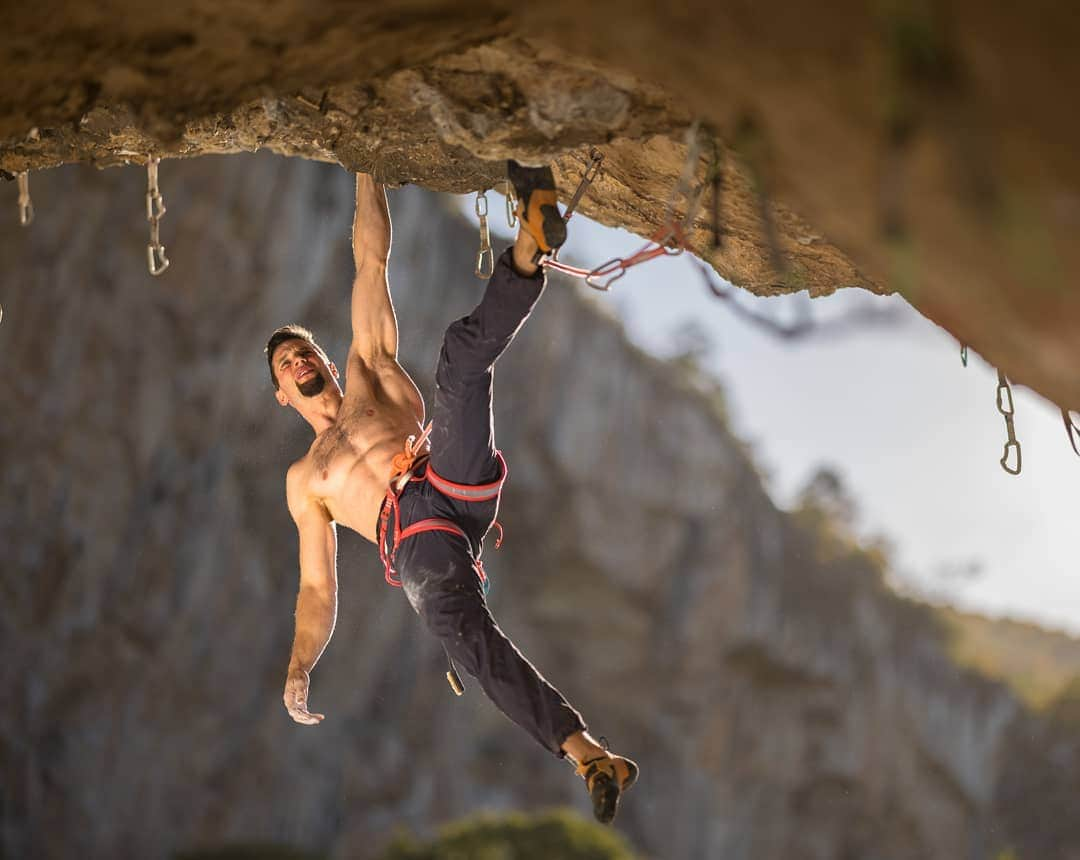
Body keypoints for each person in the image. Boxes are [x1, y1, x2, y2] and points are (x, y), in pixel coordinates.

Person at [265, 164, 638, 824]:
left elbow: (370, 259)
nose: (298, 361)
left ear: (323, 360)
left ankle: (530, 242)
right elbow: (317, 589)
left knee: (460, 360)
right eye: (285, 364)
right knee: (470, 642)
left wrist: (364, 165)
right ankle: (588, 755)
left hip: (448, 479)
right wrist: (300, 662)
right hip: (419, 545)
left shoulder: (368, 374)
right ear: (282, 394)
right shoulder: (305, 481)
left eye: (303, 351)